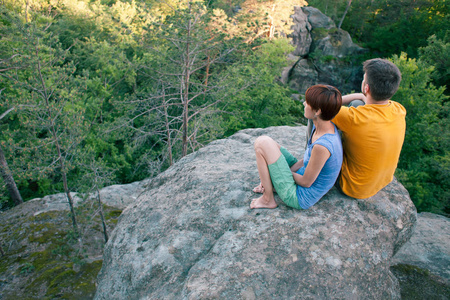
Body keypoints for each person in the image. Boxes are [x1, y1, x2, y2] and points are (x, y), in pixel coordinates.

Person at [250, 84, 343, 209]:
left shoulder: (323, 146)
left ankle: (268, 199)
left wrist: (280, 173)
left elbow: (306, 182)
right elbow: (307, 161)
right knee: (269, 144)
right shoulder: (323, 125)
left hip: (298, 196)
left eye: (308, 102)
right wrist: (279, 174)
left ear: (318, 111)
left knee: (262, 143)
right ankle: (271, 186)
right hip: (300, 174)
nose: (304, 103)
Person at [332, 58, 406, 199]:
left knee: (318, 116)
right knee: (357, 102)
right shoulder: (399, 109)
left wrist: (342, 99)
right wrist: (363, 96)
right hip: (380, 183)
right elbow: (363, 99)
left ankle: (309, 161)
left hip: (351, 187)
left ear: (366, 87)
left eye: (364, 79)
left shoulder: (354, 118)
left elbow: (317, 105)